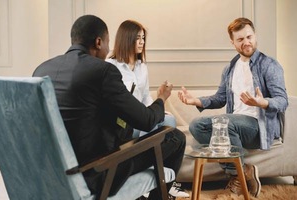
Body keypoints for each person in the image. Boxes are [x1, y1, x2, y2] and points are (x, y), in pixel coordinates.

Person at [33, 15, 186, 200]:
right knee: (174, 137)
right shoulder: (103, 70)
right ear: (98, 42)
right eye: (107, 42)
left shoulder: (42, 70)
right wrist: (161, 98)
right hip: (97, 172)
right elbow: (146, 121)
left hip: (51, 173)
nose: (108, 48)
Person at [178, 17, 288, 197]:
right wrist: (196, 101)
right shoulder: (230, 68)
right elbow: (220, 98)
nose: (246, 42)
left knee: (224, 123)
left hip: (258, 126)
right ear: (232, 42)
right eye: (240, 39)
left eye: (249, 37)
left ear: (255, 35)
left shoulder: (269, 65)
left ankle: (238, 178)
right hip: (235, 123)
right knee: (196, 126)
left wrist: (263, 102)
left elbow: (282, 100)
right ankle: (243, 171)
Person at [106, 20, 176, 138]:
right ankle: (146, 155)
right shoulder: (111, 66)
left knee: (169, 120)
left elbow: (145, 96)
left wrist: (156, 112)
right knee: (150, 125)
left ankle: (162, 155)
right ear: (126, 38)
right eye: (138, 38)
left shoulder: (142, 67)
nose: (142, 42)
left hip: (142, 117)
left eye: (143, 38)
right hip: (123, 123)